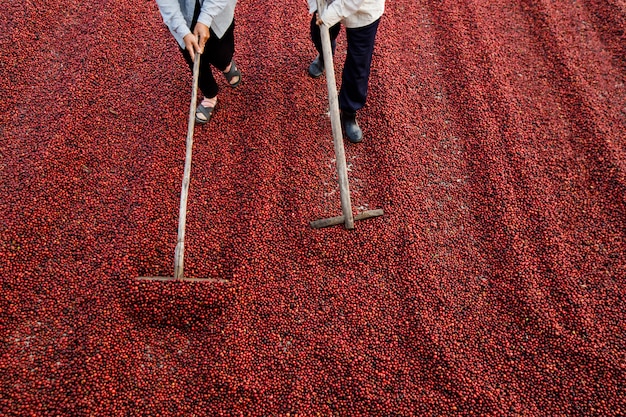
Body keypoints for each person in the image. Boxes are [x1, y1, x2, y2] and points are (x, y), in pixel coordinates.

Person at [307, 0, 385, 143]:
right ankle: (325, 55)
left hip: (364, 8)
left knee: (358, 65)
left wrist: (328, 17)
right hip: (328, 2)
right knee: (318, 33)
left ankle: (349, 111)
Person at [155, 0, 241, 124]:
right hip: (184, 19)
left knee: (222, 53)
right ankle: (210, 94)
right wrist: (183, 31)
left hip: (218, 14)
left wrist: (205, 20)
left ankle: (226, 65)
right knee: (195, 60)